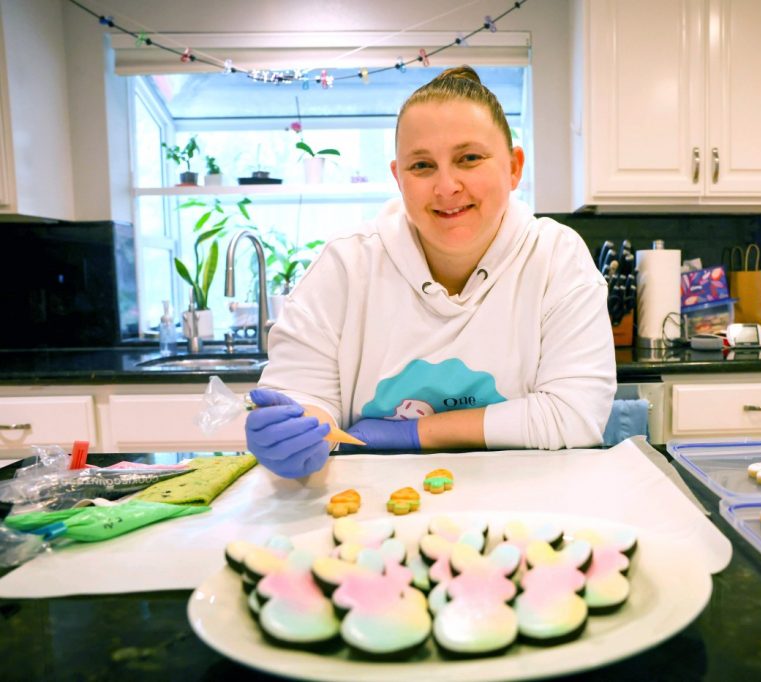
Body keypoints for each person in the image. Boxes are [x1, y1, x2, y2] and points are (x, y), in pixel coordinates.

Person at [246, 66, 615, 478]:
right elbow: (303, 394)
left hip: (525, 510)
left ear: (514, 167)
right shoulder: (345, 266)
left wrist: (414, 433)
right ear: (398, 177)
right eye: (422, 166)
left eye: (469, 158)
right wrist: (297, 429)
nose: (446, 187)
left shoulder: (555, 258)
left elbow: (576, 414)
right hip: (368, 514)